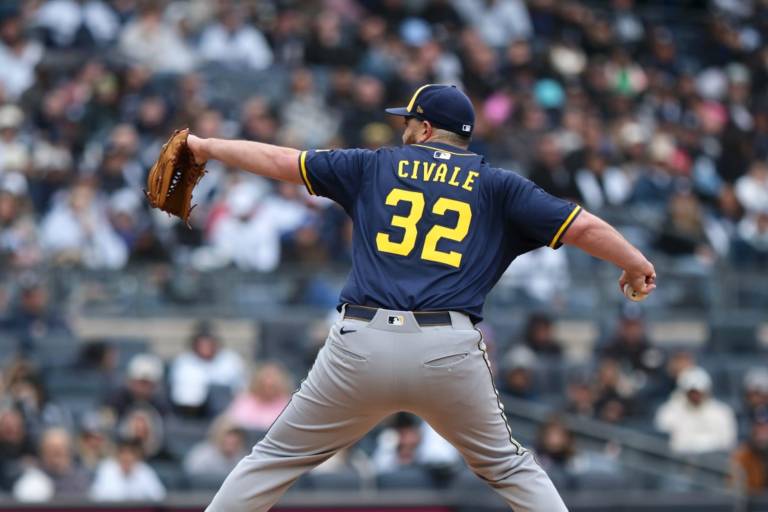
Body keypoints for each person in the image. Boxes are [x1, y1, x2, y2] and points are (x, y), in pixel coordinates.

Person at [185, 83, 656, 512]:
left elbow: (281, 161)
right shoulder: (498, 185)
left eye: (408, 121)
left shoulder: (373, 164)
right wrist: (635, 263)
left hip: (361, 343)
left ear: (426, 128)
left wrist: (206, 147)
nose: (404, 129)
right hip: (446, 349)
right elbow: (583, 226)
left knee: (272, 459)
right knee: (510, 468)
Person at [654, 366, 737, 455]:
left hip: (716, 459)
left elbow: (728, 443)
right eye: (692, 392)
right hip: (679, 460)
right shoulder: (668, 412)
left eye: (699, 392)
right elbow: (667, 445)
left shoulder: (722, 412)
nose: (696, 396)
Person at [89, 436, 166, 502]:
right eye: (123, 453)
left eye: (130, 454)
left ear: (136, 456)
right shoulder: (106, 468)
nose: (126, 457)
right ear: (118, 455)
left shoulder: (144, 471)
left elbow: (160, 497)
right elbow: (95, 498)